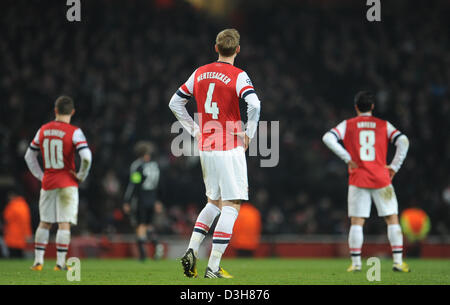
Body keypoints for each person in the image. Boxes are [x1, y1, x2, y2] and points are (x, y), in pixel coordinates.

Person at [169, 28, 261, 278]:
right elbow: (254, 104)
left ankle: (191, 249)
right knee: (232, 205)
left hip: (206, 146)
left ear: (216, 48)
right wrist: (249, 134)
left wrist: (195, 130)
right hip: (229, 145)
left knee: (213, 203)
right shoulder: (239, 75)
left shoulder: (199, 73)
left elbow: (174, 102)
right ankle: (213, 266)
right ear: (238, 49)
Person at [322, 91, 410, 272]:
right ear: (372, 107)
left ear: (356, 107)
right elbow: (403, 141)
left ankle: (355, 264)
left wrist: (347, 158)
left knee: (357, 222)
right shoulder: (383, 125)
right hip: (382, 179)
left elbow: (328, 138)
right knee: (392, 218)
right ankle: (398, 262)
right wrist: (394, 166)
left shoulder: (348, 124)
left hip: (358, 178)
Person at [24, 96, 92, 271]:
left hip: (48, 182)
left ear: (55, 110)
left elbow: (29, 156)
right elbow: (86, 157)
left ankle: (38, 262)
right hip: (68, 182)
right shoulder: (74, 131)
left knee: (44, 222)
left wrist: (41, 175)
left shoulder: (43, 130)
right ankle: (60, 263)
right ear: (72, 112)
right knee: (64, 223)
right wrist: (81, 176)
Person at [123, 141, 164, 261]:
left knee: (140, 225)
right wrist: (158, 200)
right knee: (149, 225)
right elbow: (160, 185)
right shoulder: (155, 166)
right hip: (152, 199)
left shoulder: (137, 166)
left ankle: (142, 255)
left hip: (141, 199)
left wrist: (127, 201)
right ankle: (157, 244)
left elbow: (133, 184)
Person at [3, 189, 32, 258]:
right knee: (20, 255)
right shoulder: (24, 205)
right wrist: (28, 234)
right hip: (22, 235)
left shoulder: (12, 206)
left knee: (13, 256)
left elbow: (6, 218)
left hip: (12, 235)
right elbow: (26, 221)